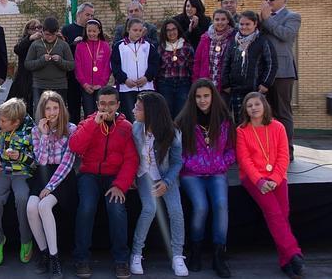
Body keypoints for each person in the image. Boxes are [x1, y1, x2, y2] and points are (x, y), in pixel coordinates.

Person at [69, 86, 139, 279]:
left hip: (114, 177)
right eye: (102, 104)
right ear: (97, 104)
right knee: (86, 207)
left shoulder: (126, 127)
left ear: (117, 104)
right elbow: (75, 146)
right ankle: (81, 258)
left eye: (110, 104)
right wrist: (93, 124)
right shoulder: (88, 122)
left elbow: (131, 159)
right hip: (89, 175)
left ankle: (121, 260)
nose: (106, 108)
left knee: (116, 209)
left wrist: (120, 184)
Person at [236, 92, 304, 279]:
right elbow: (244, 160)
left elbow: (283, 155)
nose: (253, 108)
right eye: (249, 106)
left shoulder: (279, 127)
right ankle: (293, 253)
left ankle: (285, 261)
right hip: (253, 179)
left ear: (264, 105)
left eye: (257, 104)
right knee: (274, 213)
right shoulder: (242, 130)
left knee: (283, 214)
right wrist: (260, 181)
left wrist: (274, 179)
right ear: (245, 110)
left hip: (277, 177)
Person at [175, 79, 235, 278]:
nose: (202, 100)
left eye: (206, 96)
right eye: (198, 96)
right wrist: (191, 164)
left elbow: (231, 150)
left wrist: (222, 163)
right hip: (192, 174)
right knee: (201, 206)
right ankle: (196, 249)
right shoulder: (184, 120)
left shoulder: (224, 118)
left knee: (220, 204)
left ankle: (219, 254)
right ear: (193, 98)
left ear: (213, 96)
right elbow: (177, 152)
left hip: (217, 172)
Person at [130, 91, 187, 277]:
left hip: (165, 176)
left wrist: (167, 181)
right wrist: (130, 176)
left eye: (138, 108)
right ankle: (136, 253)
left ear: (151, 111)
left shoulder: (173, 132)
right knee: (150, 208)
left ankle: (177, 255)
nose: (133, 110)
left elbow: (177, 161)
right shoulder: (136, 128)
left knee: (176, 211)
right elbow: (130, 156)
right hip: (144, 175)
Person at [27, 91, 77, 279]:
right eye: (48, 108)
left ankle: (55, 258)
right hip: (43, 172)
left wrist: (51, 187)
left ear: (61, 109)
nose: (52, 112)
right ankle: (44, 253)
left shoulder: (71, 128)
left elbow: (67, 162)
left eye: (55, 108)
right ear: (43, 110)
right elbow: (41, 160)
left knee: (44, 205)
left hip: (63, 177)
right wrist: (45, 135)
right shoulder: (36, 130)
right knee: (31, 208)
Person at [0, 98, 35, 266]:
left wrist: (20, 157)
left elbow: (36, 162)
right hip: (0, 173)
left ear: (16, 123)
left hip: (22, 173)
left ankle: (26, 240)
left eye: (3, 121)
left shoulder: (31, 132)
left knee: (22, 198)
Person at [260, 0, 301, 161]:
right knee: (266, 113)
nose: (267, 1)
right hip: (264, 72)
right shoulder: (262, 18)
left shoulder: (293, 16)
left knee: (283, 112)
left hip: (283, 72)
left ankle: (287, 151)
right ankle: (269, 150)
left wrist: (267, 20)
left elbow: (286, 35)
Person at [222, 11, 278, 123]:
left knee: (256, 120)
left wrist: (265, 83)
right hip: (236, 89)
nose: (244, 27)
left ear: (255, 24)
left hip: (255, 89)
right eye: (241, 24)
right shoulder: (233, 42)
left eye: (247, 24)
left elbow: (271, 63)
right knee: (239, 121)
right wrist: (226, 83)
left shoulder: (262, 41)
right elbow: (226, 63)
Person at [111, 18, 160, 122]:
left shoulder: (148, 46)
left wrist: (147, 77)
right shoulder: (119, 46)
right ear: (128, 29)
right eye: (135, 30)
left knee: (147, 117)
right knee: (131, 117)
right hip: (126, 88)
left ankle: (147, 138)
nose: (138, 33)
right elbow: (115, 66)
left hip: (146, 87)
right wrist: (124, 80)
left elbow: (154, 64)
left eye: (140, 30)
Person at [24, 17, 74, 113]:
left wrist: (60, 61)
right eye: (47, 34)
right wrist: (41, 60)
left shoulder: (63, 45)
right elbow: (27, 64)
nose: (50, 37)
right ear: (42, 31)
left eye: (53, 34)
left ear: (57, 32)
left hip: (59, 85)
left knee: (58, 113)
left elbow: (71, 65)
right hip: (40, 85)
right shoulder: (35, 44)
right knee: (40, 112)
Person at [61, 2, 94, 124]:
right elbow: (61, 51)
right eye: (87, 15)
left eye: (92, 15)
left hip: (89, 76)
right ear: (79, 14)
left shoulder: (92, 30)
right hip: (72, 76)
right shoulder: (67, 29)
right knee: (73, 109)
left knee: (90, 109)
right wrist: (73, 44)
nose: (90, 18)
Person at [157, 19, 194, 118]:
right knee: (166, 114)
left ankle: (181, 133)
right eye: (168, 30)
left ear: (178, 30)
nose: (171, 32)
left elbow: (191, 68)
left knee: (181, 114)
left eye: (174, 29)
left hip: (183, 85)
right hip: (165, 85)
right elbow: (158, 69)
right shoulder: (160, 48)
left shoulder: (187, 47)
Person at [192, 9, 236, 95]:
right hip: (206, 83)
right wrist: (195, 81)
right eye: (217, 19)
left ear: (228, 20)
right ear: (213, 21)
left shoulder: (234, 37)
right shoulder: (205, 37)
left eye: (223, 19)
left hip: (225, 85)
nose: (220, 22)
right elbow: (197, 61)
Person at [75, 19, 111, 117]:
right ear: (85, 31)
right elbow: (78, 67)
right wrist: (84, 84)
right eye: (89, 31)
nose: (91, 33)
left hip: (100, 86)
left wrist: (102, 83)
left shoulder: (105, 46)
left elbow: (107, 66)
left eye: (94, 31)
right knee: (89, 114)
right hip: (86, 87)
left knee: (102, 113)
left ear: (99, 31)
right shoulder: (80, 46)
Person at [7, 19, 43, 115]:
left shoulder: (43, 41)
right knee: (23, 106)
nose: (37, 30)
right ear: (28, 30)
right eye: (33, 28)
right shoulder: (25, 41)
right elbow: (17, 49)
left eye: (39, 27)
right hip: (24, 78)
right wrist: (30, 38)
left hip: (40, 78)